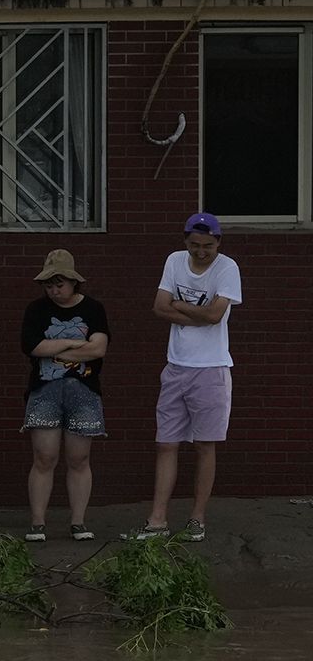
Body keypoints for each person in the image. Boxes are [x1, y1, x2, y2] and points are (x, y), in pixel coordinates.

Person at [138, 213, 242, 541]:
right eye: (195, 245)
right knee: (166, 444)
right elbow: (158, 307)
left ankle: (197, 519)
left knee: (204, 445)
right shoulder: (174, 261)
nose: (201, 252)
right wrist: (200, 314)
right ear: (185, 241)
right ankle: (157, 520)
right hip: (176, 365)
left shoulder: (227, 268)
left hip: (212, 368)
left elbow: (215, 315)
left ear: (218, 243)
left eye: (208, 246)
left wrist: (181, 306)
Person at [19, 249, 110, 542]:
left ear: (73, 282)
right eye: (49, 285)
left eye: (59, 284)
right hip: (44, 389)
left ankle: (78, 522)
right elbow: (33, 347)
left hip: (83, 389)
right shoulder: (36, 310)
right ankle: (37, 522)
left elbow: (98, 348)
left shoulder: (94, 309)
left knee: (79, 458)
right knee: (44, 456)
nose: (54, 291)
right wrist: (74, 343)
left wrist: (55, 346)